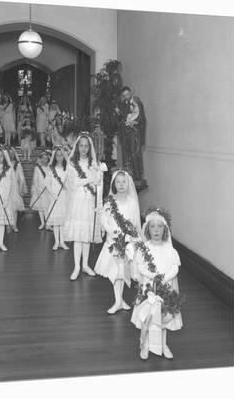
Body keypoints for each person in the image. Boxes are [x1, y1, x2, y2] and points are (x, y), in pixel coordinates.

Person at [131, 209, 183, 360]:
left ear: (165, 230)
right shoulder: (145, 247)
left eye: (159, 227)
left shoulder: (169, 249)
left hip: (166, 286)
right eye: (152, 227)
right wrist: (153, 276)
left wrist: (165, 278)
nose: (156, 230)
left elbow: (175, 266)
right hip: (149, 287)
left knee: (164, 316)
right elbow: (140, 266)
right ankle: (145, 344)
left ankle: (163, 344)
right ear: (147, 229)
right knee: (149, 316)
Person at [94, 170, 142, 314]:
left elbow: (134, 221)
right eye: (118, 182)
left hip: (127, 241)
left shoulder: (132, 202)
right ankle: (117, 301)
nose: (121, 185)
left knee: (123, 272)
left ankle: (120, 300)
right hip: (113, 241)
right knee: (115, 271)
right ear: (114, 184)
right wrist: (112, 232)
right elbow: (104, 220)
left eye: (123, 182)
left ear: (128, 184)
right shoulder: (110, 201)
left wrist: (129, 235)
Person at [63, 134, 104, 280]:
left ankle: (86, 265)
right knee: (78, 236)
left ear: (90, 147)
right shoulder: (72, 163)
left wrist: (94, 176)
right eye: (81, 145)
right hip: (77, 201)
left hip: (89, 201)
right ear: (77, 146)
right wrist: (89, 179)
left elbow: (98, 180)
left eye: (86, 146)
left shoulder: (94, 163)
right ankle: (76, 266)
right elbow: (73, 182)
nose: (84, 149)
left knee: (86, 235)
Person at [119, 86, 147, 182]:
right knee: (126, 154)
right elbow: (122, 118)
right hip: (126, 133)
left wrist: (136, 122)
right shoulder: (123, 104)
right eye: (124, 95)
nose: (126, 96)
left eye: (127, 94)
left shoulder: (136, 102)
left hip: (134, 133)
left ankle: (137, 175)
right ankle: (128, 174)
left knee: (134, 152)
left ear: (131, 93)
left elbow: (142, 118)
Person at [44, 147, 70, 250]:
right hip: (54, 197)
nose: (60, 157)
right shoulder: (51, 169)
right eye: (57, 155)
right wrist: (53, 194)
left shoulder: (66, 169)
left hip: (64, 197)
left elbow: (70, 182)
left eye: (61, 155)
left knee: (62, 221)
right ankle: (56, 242)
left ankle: (62, 242)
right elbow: (46, 183)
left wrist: (67, 187)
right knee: (56, 221)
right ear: (55, 157)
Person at [30, 150, 53, 229]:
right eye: (43, 158)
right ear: (40, 159)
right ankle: (42, 223)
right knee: (40, 208)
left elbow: (51, 179)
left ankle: (48, 224)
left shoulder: (49, 168)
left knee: (47, 207)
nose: (44, 160)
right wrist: (38, 189)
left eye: (46, 158)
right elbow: (35, 180)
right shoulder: (37, 168)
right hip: (39, 190)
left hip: (47, 190)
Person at [7, 147, 27, 232]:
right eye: (9, 153)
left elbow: (21, 177)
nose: (11, 155)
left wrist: (21, 187)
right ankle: (8, 225)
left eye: (12, 153)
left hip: (14, 188)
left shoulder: (17, 164)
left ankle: (14, 225)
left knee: (14, 208)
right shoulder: (5, 164)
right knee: (7, 207)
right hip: (6, 188)